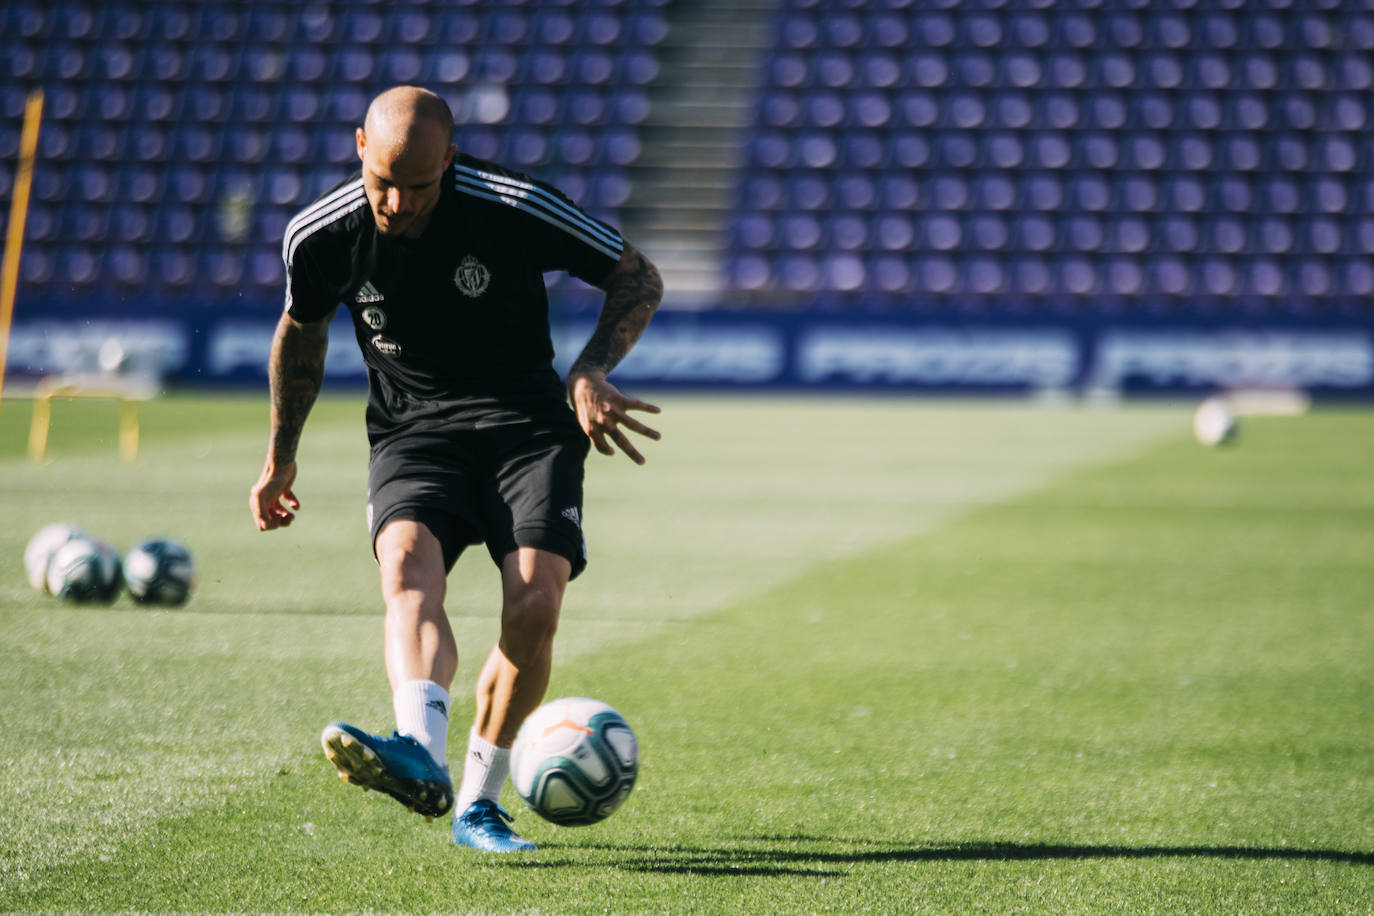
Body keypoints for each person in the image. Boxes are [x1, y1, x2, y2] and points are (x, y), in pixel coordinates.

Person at [248, 86, 663, 852]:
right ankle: (418, 748)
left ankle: (480, 802)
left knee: (535, 607)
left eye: (420, 186)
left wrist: (590, 369)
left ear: (452, 158)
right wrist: (281, 456)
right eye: (383, 184)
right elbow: (300, 335)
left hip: (527, 428)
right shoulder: (320, 234)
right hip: (414, 431)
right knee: (406, 566)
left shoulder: (512, 203)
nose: (398, 204)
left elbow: (637, 276)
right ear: (358, 148)